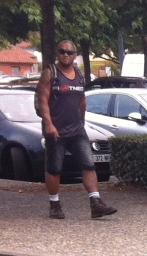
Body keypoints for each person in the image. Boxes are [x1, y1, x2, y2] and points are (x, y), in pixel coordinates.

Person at [35, 40, 117, 219]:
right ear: (58, 53)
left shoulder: (79, 74)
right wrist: (48, 124)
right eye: (62, 51)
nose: (66, 54)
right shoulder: (50, 73)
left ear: (75, 55)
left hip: (76, 130)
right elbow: (42, 100)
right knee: (54, 168)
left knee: (88, 164)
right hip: (56, 131)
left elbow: (82, 100)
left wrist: (82, 121)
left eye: (69, 52)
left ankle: (96, 203)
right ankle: (54, 204)